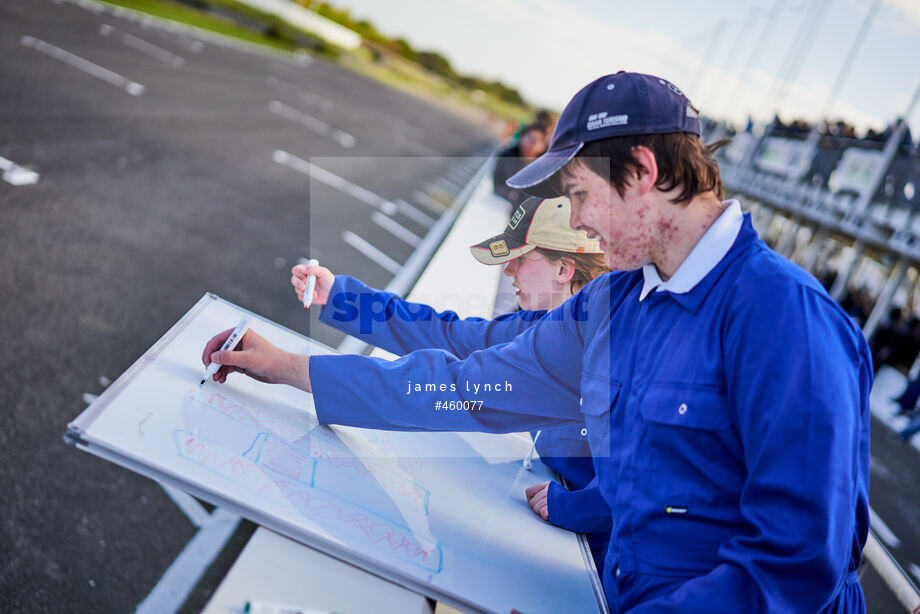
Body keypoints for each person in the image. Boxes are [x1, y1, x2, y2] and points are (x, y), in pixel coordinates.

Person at [203, 72, 871, 612]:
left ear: (641, 171)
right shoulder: (618, 304)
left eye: (580, 194)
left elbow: (792, 567)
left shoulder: (787, 322)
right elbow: (471, 385)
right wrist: (294, 368)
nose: (576, 221)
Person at [290, 195, 613, 573]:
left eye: (521, 258)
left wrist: (578, 507)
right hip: (560, 532)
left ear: (564, 269)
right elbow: (451, 335)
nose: (508, 271)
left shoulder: (601, 341)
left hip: (596, 562)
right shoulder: (542, 327)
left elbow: (652, 461)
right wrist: (344, 298)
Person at [492, 123, 547, 207]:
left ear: (543, 146)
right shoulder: (507, 155)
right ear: (521, 137)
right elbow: (497, 184)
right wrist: (513, 196)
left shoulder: (544, 169)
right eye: (530, 138)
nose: (533, 143)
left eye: (539, 140)